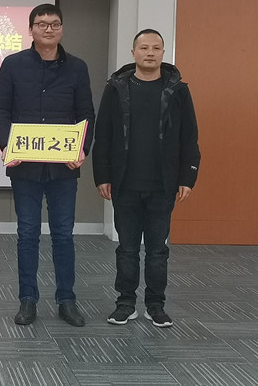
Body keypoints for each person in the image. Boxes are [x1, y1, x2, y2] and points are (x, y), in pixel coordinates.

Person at [0, 4, 95, 327]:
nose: (48, 29)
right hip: (25, 167)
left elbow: (86, 114)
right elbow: (0, 110)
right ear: (31, 29)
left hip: (64, 167)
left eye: (54, 24)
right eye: (42, 24)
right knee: (27, 234)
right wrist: (7, 145)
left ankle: (67, 300)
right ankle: (28, 300)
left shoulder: (77, 67)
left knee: (63, 234)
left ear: (62, 29)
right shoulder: (13, 65)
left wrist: (82, 149)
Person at [92, 29, 200, 328]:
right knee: (127, 249)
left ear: (163, 53)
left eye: (156, 48)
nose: (150, 53)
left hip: (163, 185)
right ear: (133, 52)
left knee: (157, 251)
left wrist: (187, 177)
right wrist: (102, 175)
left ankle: (155, 305)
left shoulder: (178, 90)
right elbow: (104, 134)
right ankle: (125, 303)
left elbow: (189, 136)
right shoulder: (116, 88)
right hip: (124, 183)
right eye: (144, 48)